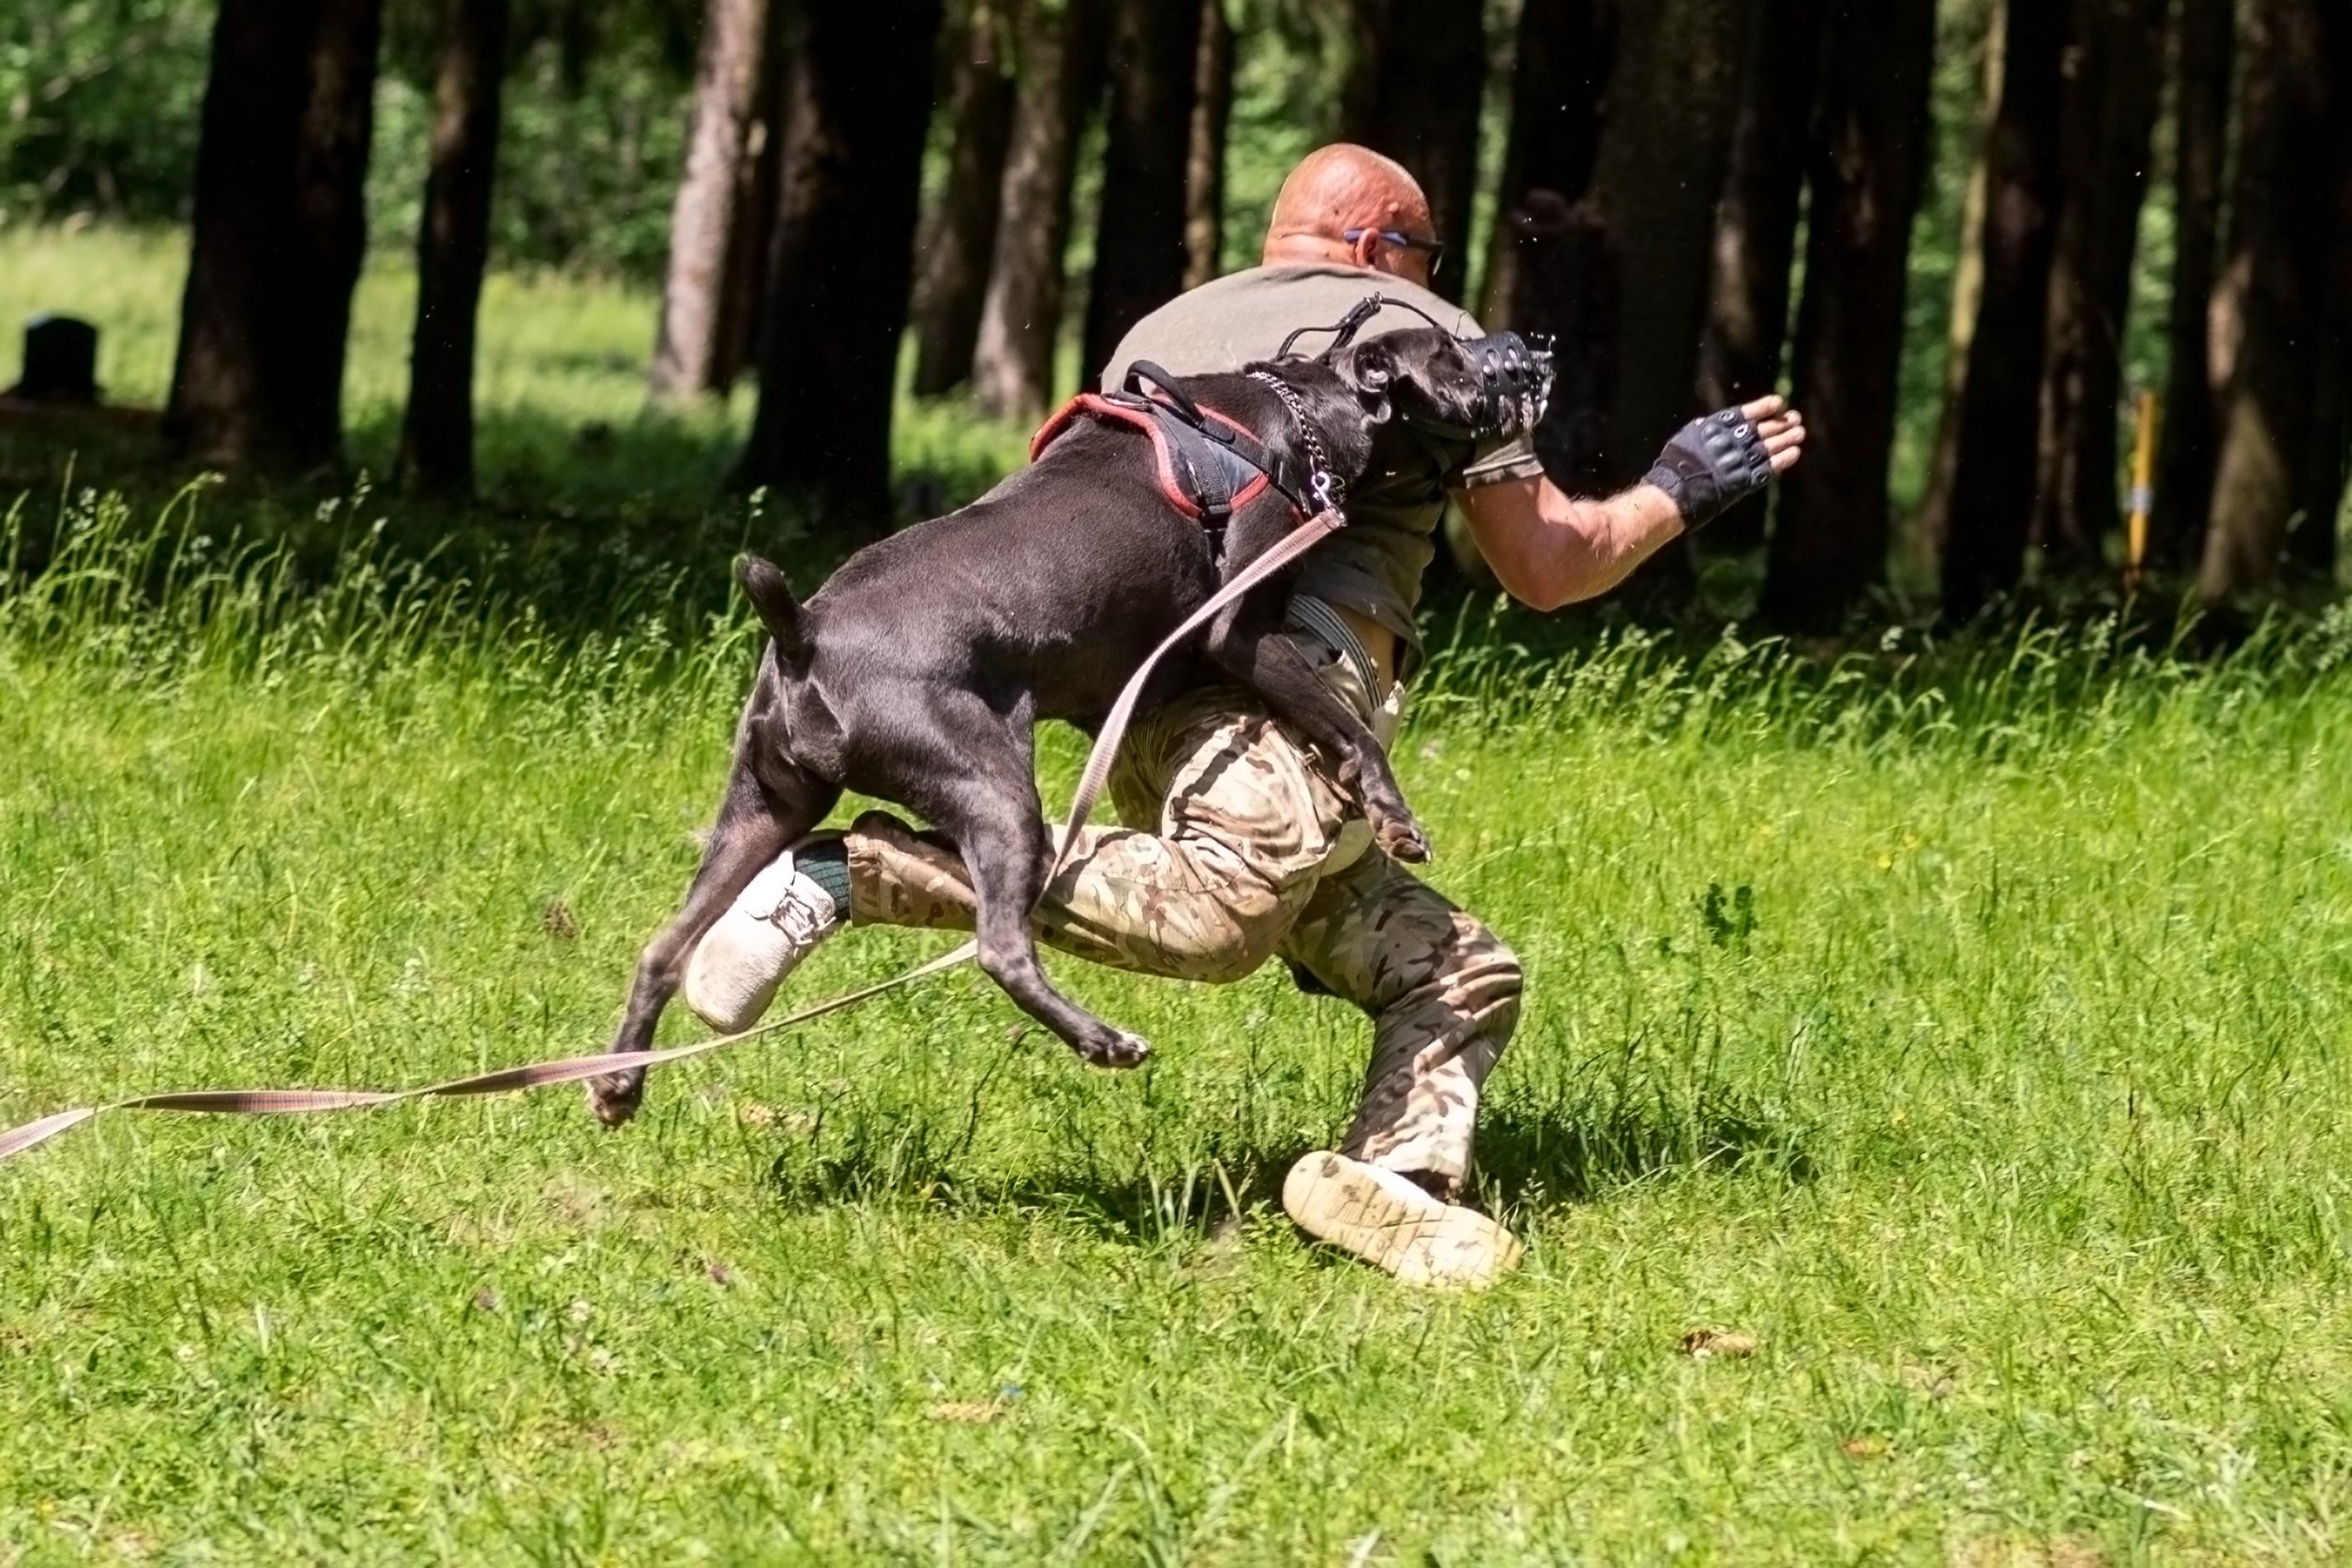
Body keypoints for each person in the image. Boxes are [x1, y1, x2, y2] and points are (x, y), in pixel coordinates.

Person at [678, 145, 1806, 1289]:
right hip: (1284, 713)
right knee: (1220, 919)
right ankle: (852, 872)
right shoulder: (1425, 334)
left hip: (1145, 717)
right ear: (1378, 249)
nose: (1429, 273)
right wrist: (1681, 485)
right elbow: (1546, 566)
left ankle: (1394, 1184)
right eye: (1423, 251)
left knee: (1461, 974)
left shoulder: (1160, 331)